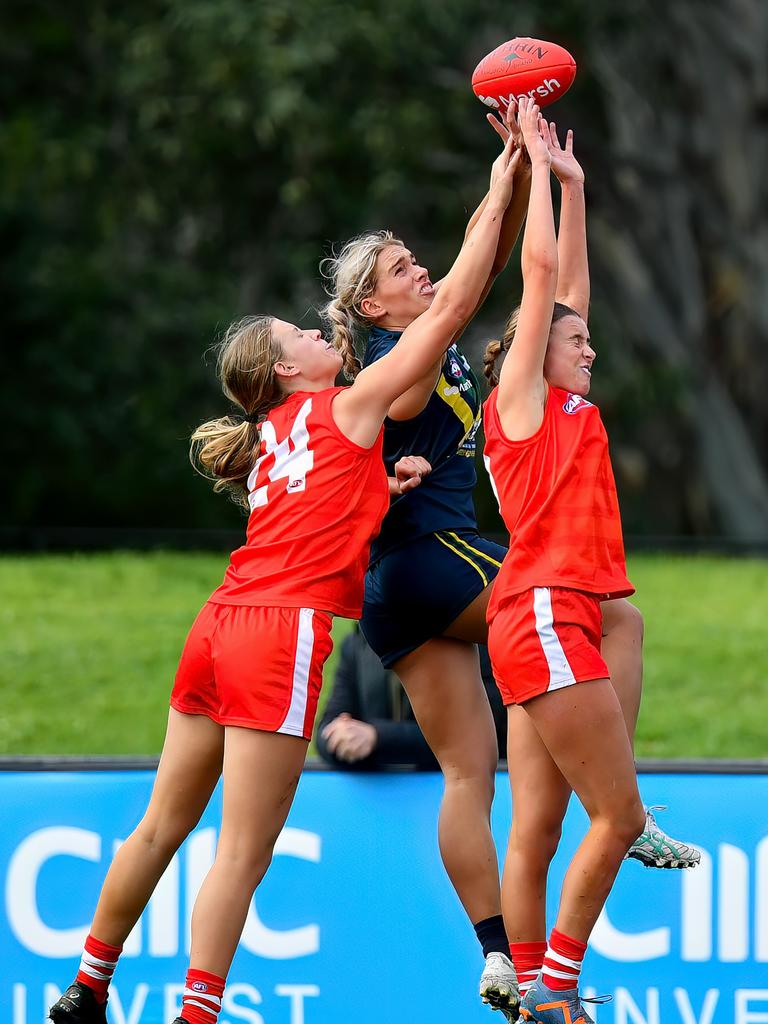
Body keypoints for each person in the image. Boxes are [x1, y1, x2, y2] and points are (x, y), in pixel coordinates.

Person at [47, 136, 522, 1024]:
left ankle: (86, 987)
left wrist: (380, 489)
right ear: (286, 372)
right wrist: (499, 188)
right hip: (281, 632)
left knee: (160, 828)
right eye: (301, 335)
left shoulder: (271, 439)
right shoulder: (348, 402)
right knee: (243, 851)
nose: (317, 333)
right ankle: (197, 1014)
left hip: (219, 622)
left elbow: (316, 507)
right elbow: (454, 306)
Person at [322, 103, 698, 1022]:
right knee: (601, 638)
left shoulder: (502, 364)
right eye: (399, 268)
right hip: (443, 564)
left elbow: (552, 290)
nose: (424, 273)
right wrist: (515, 169)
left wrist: (561, 185)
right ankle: (620, 809)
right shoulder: (442, 366)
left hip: (409, 590)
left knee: (498, 792)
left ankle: (507, 962)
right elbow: (517, 281)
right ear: (372, 305)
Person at [482, 98, 652, 1024]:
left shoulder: (565, 393)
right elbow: (542, 273)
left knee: (543, 825)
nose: (589, 343)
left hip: (564, 609)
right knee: (616, 822)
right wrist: (537, 166)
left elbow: (568, 283)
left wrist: (576, 189)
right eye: (573, 338)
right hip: (543, 609)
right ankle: (556, 995)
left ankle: (531, 998)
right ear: (531, 354)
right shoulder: (525, 402)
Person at [317, 625, 507, 769]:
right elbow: (325, 729)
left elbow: (476, 734)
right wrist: (341, 738)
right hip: (381, 797)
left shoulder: (471, 639)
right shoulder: (357, 643)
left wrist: (377, 738)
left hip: (466, 784)